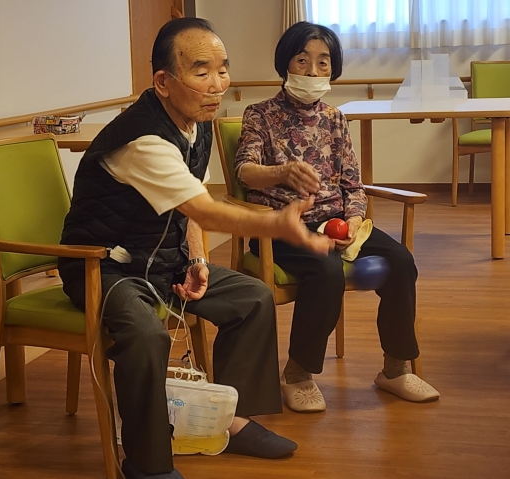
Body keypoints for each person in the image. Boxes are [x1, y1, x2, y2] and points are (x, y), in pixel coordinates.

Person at [59, 17, 332, 479]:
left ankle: (229, 420)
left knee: (252, 298)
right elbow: (204, 209)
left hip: (162, 261)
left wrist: (199, 259)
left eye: (222, 70)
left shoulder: (195, 124)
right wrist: (277, 224)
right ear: (163, 82)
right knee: (147, 335)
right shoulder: (142, 138)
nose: (217, 85)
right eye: (201, 71)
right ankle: (147, 464)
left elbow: (189, 207)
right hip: (102, 267)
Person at [234, 21, 440, 414]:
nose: (313, 71)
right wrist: (281, 172)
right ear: (285, 62)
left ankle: (395, 369)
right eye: (302, 60)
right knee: (326, 271)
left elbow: (352, 184)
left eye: (323, 62)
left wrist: (355, 221)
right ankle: (297, 374)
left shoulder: (334, 118)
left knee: (401, 261)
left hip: (338, 222)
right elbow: (245, 170)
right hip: (283, 226)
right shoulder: (259, 114)